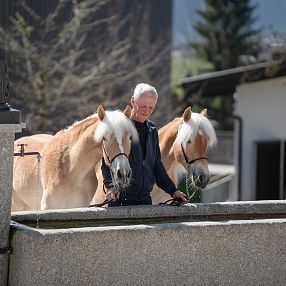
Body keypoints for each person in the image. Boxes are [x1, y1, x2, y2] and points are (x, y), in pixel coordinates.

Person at [101, 83, 188, 206]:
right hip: (120, 201)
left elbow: (157, 166)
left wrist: (173, 191)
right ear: (133, 101)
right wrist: (110, 187)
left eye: (150, 107)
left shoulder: (152, 130)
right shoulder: (119, 128)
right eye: (143, 106)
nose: (146, 111)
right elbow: (106, 163)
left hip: (145, 200)